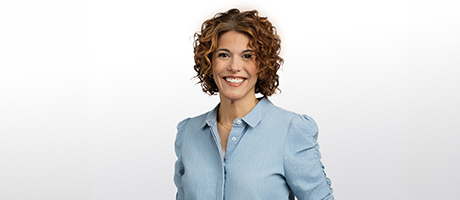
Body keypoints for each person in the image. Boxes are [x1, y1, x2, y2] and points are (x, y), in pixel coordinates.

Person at [174, 8, 335, 200]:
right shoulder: (189, 133)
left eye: (247, 55)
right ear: (210, 62)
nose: (234, 67)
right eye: (224, 55)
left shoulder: (291, 130)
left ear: (263, 64)